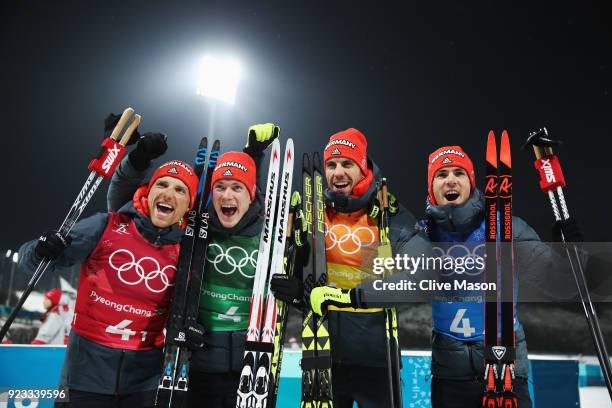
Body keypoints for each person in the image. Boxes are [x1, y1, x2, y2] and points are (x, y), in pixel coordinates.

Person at [19, 131, 199, 407]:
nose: (168, 194)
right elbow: (31, 262)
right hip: (83, 377)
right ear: (148, 192)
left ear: (188, 206)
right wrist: (41, 248)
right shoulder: (108, 225)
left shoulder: (187, 251)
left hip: (144, 384)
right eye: (161, 184)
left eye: (180, 190)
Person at [107, 123, 278, 408]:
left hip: (252, 368)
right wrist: (137, 161)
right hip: (197, 365)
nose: (228, 196)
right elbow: (124, 206)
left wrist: (252, 156)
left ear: (251, 195)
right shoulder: (192, 225)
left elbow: (251, 195)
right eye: (219, 187)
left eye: (237, 189)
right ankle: (208, 175)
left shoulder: (268, 233)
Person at [271, 128, 429, 408]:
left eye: (347, 164)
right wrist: (296, 293)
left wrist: (352, 296)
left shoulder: (388, 216)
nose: (338, 172)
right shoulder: (315, 214)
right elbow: (305, 282)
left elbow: (414, 279)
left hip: (376, 359)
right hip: (322, 354)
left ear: (363, 166)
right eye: (331, 165)